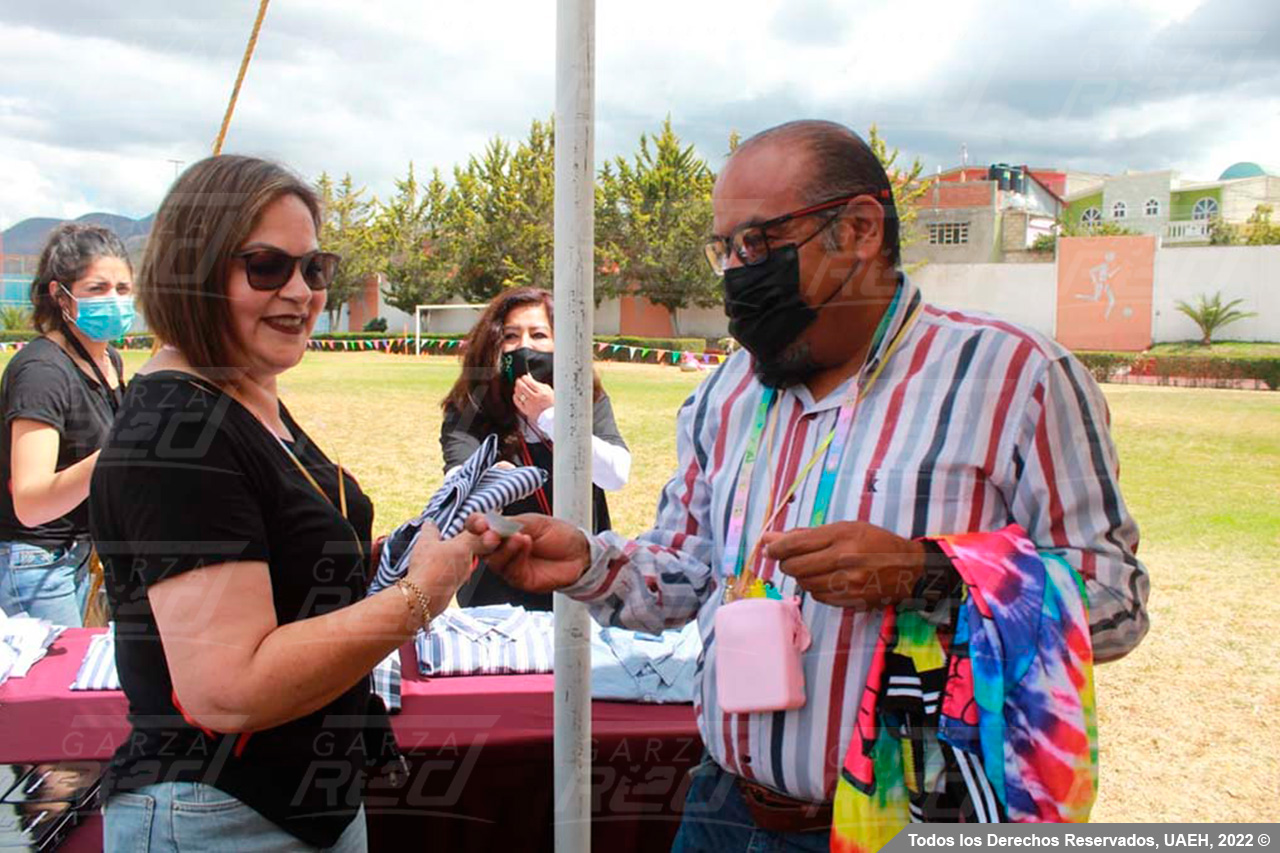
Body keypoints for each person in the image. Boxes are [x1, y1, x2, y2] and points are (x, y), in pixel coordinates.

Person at [469, 120, 1150, 849]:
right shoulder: (725, 394)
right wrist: (588, 563)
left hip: (907, 822)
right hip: (723, 807)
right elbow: (688, 573)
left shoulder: (1016, 379)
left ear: (857, 228)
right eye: (725, 248)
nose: (736, 270)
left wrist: (925, 573)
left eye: (758, 242)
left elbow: (1113, 600)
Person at [89, 155, 498, 852]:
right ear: (195, 272)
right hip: (222, 814)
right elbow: (228, 686)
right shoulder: (177, 429)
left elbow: (279, 570)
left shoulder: (241, 392)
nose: (302, 291)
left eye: (315, 267)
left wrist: (396, 560)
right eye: (266, 266)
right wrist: (420, 596)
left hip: (294, 804)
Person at [440, 286, 630, 610]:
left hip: (577, 576)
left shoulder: (587, 397)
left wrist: (552, 417)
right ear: (493, 344)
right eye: (511, 336)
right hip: (497, 586)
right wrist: (493, 481)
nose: (525, 347)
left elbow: (615, 475)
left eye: (539, 334)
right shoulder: (469, 405)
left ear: (562, 342)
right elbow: (458, 486)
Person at [0, 224, 133, 626]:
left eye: (123, 289)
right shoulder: (42, 373)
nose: (114, 300)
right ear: (61, 296)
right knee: (51, 687)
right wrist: (123, 451)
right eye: (98, 288)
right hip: (34, 564)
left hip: (77, 555)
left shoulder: (109, 361)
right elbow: (31, 503)